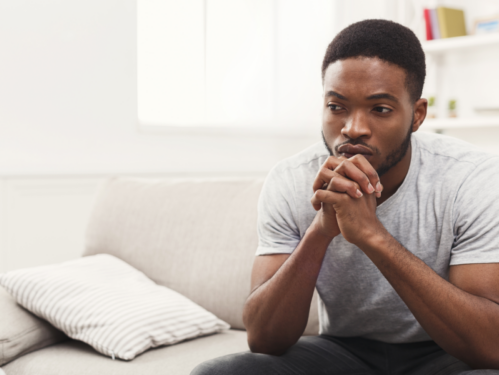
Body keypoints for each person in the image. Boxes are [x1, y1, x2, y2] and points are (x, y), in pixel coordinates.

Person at [191, 19, 499, 375]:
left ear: (416, 115)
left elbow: (490, 346)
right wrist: (321, 230)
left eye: (380, 109)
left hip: (446, 354)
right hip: (344, 353)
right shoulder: (290, 180)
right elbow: (264, 339)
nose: (353, 128)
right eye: (337, 107)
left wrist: (373, 236)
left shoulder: (471, 177)